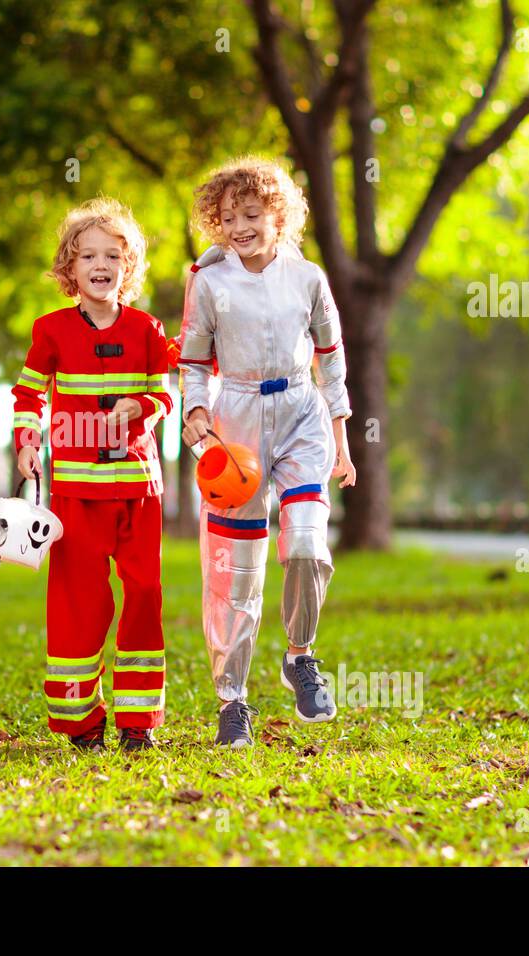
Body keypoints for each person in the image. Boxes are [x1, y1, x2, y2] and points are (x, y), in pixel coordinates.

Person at [178, 157, 357, 748]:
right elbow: (195, 361)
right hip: (237, 422)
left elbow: (330, 358)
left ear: (278, 217)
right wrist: (196, 412)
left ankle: (301, 656)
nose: (238, 227)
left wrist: (343, 438)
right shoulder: (207, 282)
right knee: (237, 575)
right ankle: (233, 701)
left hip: (303, 414)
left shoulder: (308, 279)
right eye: (227, 218)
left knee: (307, 543)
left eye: (251, 214)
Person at [12, 198, 172, 752]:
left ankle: (137, 721)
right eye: (88, 256)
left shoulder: (148, 329)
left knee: (144, 594)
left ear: (128, 267)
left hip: (136, 490)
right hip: (75, 495)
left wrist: (142, 409)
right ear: (69, 269)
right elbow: (28, 394)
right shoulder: (51, 330)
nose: (100, 265)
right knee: (79, 602)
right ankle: (82, 723)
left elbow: (162, 394)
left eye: (113, 255)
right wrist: (27, 441)